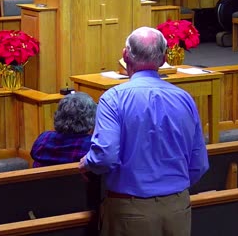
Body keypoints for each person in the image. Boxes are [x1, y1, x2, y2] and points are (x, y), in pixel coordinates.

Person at [79, 26, 209, 236]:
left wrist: (87, 162)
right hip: (177, 208)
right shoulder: (185, 99)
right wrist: (171, 190)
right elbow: (199, 163)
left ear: (125, 55)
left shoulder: (114, 99)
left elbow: (105, 157)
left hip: (129, 210)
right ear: (164, 58)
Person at [30, 92, 97, 167]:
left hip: (41, 178)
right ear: (91, 119)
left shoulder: (44, 138)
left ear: (58, 115)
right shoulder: (91, 146)